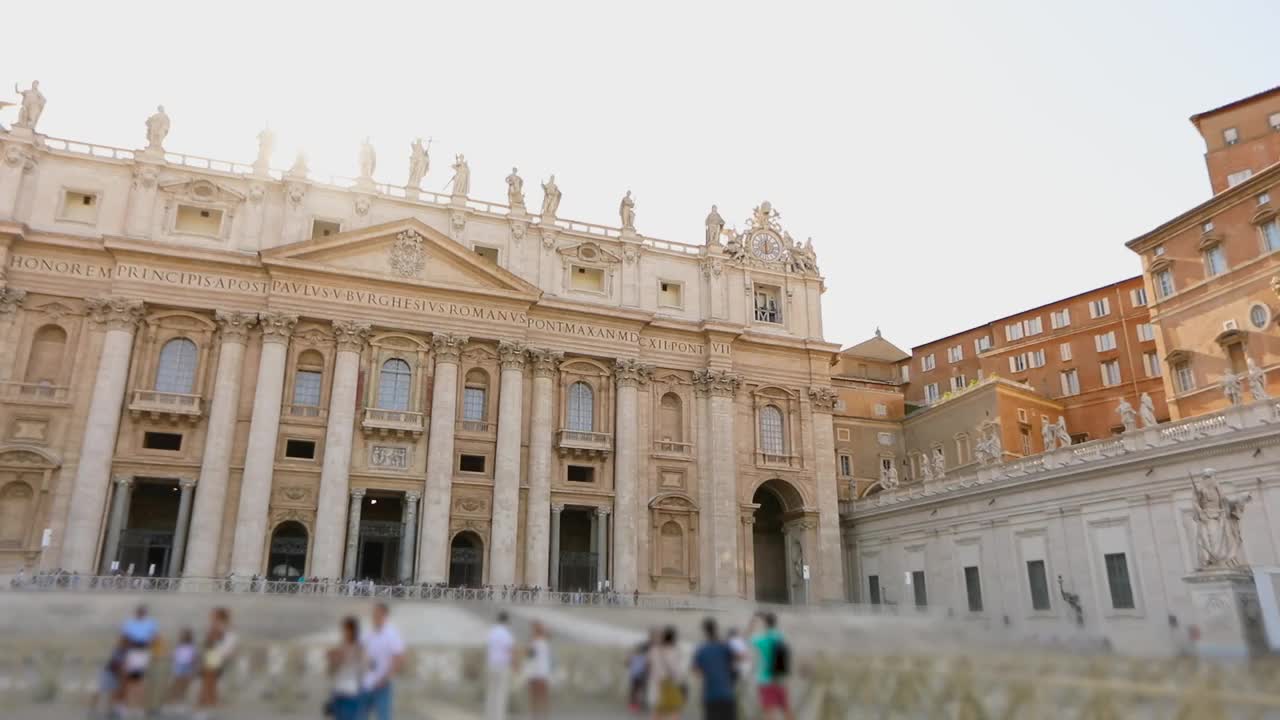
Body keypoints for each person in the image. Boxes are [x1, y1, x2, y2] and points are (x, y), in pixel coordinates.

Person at [360, 602, 405, 720]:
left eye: (378, 613)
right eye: (374, 614)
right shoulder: (370, 632)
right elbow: (362, 649)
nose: (375, 616)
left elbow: (399, 658)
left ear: (385, 615)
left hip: (382, 684)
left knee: (383, 716)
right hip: (366, 682)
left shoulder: (391, 634)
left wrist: (386, 678)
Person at [749, 612, 793, 720]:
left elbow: (748, 638)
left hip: (766, 680)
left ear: (765, 624)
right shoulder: (780, 637)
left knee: (769, 712)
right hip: (779, 679)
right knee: (786, 709)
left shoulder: (762, 639)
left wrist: (753, 622)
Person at [692, 618, 738, 720]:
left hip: (710, 695)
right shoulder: (724, 647)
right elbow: (734, 662)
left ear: (704, 631)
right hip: (727, 693)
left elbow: (696, 671)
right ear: (716, 629)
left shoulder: (702, 650)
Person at [119, 604, 158, 716]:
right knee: (127, 679)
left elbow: (154, 638)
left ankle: (138, 707)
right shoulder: (129, 623)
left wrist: (151, 648)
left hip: (143, 653)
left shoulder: (150, 623)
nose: (140, 614)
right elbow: (124, 639)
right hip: (132, 652)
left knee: (140, 680)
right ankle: (125, 705)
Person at [196, 607, 236, 714]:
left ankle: (207, 700)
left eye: (213, 614)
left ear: (218, 616)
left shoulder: (217, 626)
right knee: (210, 678)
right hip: (215, 653)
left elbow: (212, 640)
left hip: (213, 653)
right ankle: (209, 700)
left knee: (209, 678)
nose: (211, 616)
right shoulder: (224, 626)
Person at [328, 616, 365, 720]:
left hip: (351, 691)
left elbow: (363, 668)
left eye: (346, 629)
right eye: (343, 629)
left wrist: (343, 657)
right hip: (338, 690)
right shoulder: (341, 646)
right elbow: (333, 669)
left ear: (353, 631)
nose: (344, 632)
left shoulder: (359, 648)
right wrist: (333, 659)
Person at [649, 626, 685, 720]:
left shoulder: (655, 650)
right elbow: (678, 669)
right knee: (674, 711)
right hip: (671, 683)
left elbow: (651, 667)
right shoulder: (676, 650)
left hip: (658, 684)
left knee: (658, 711)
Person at [485, 611, 516, 720]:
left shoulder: (492, 632)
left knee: (491, 692)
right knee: (501, 693)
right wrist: (513, 664)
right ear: (506, 621)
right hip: (502, 665)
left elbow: (489, 646)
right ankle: (499, 717)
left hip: (491, 664)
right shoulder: (506, 633)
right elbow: (509, 649)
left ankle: (489, 716)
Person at [162, 628, 198, 715]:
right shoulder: (179, 646)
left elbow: (194, 659)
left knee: (184, 685)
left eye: (184, 635)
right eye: (182, 635)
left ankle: (180, 700)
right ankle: (172, 700)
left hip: (187, 666)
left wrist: (193, 669)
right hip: (179, 666)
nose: (183, 637)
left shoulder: (192, 647)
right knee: (176, 684)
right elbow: (174, 657)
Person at [525, 620, 552, 720]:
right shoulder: (534, 640)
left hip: (541, 671)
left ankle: (544, 716)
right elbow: (530, 655)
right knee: (534, 697)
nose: (534, 629)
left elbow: (530, 654)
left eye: (535, 627)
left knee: (542, 697)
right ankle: (534, 716)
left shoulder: (542, 640)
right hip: (534, 671)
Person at [627, 639, 650, 713]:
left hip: (638, 676)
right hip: (637, 676)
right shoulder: (636, 656)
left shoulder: (643, 657)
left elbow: (647, 667)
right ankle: (635, 705)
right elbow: (628, 663)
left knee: (638, 690)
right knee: (636, 690)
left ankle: (637, 704)